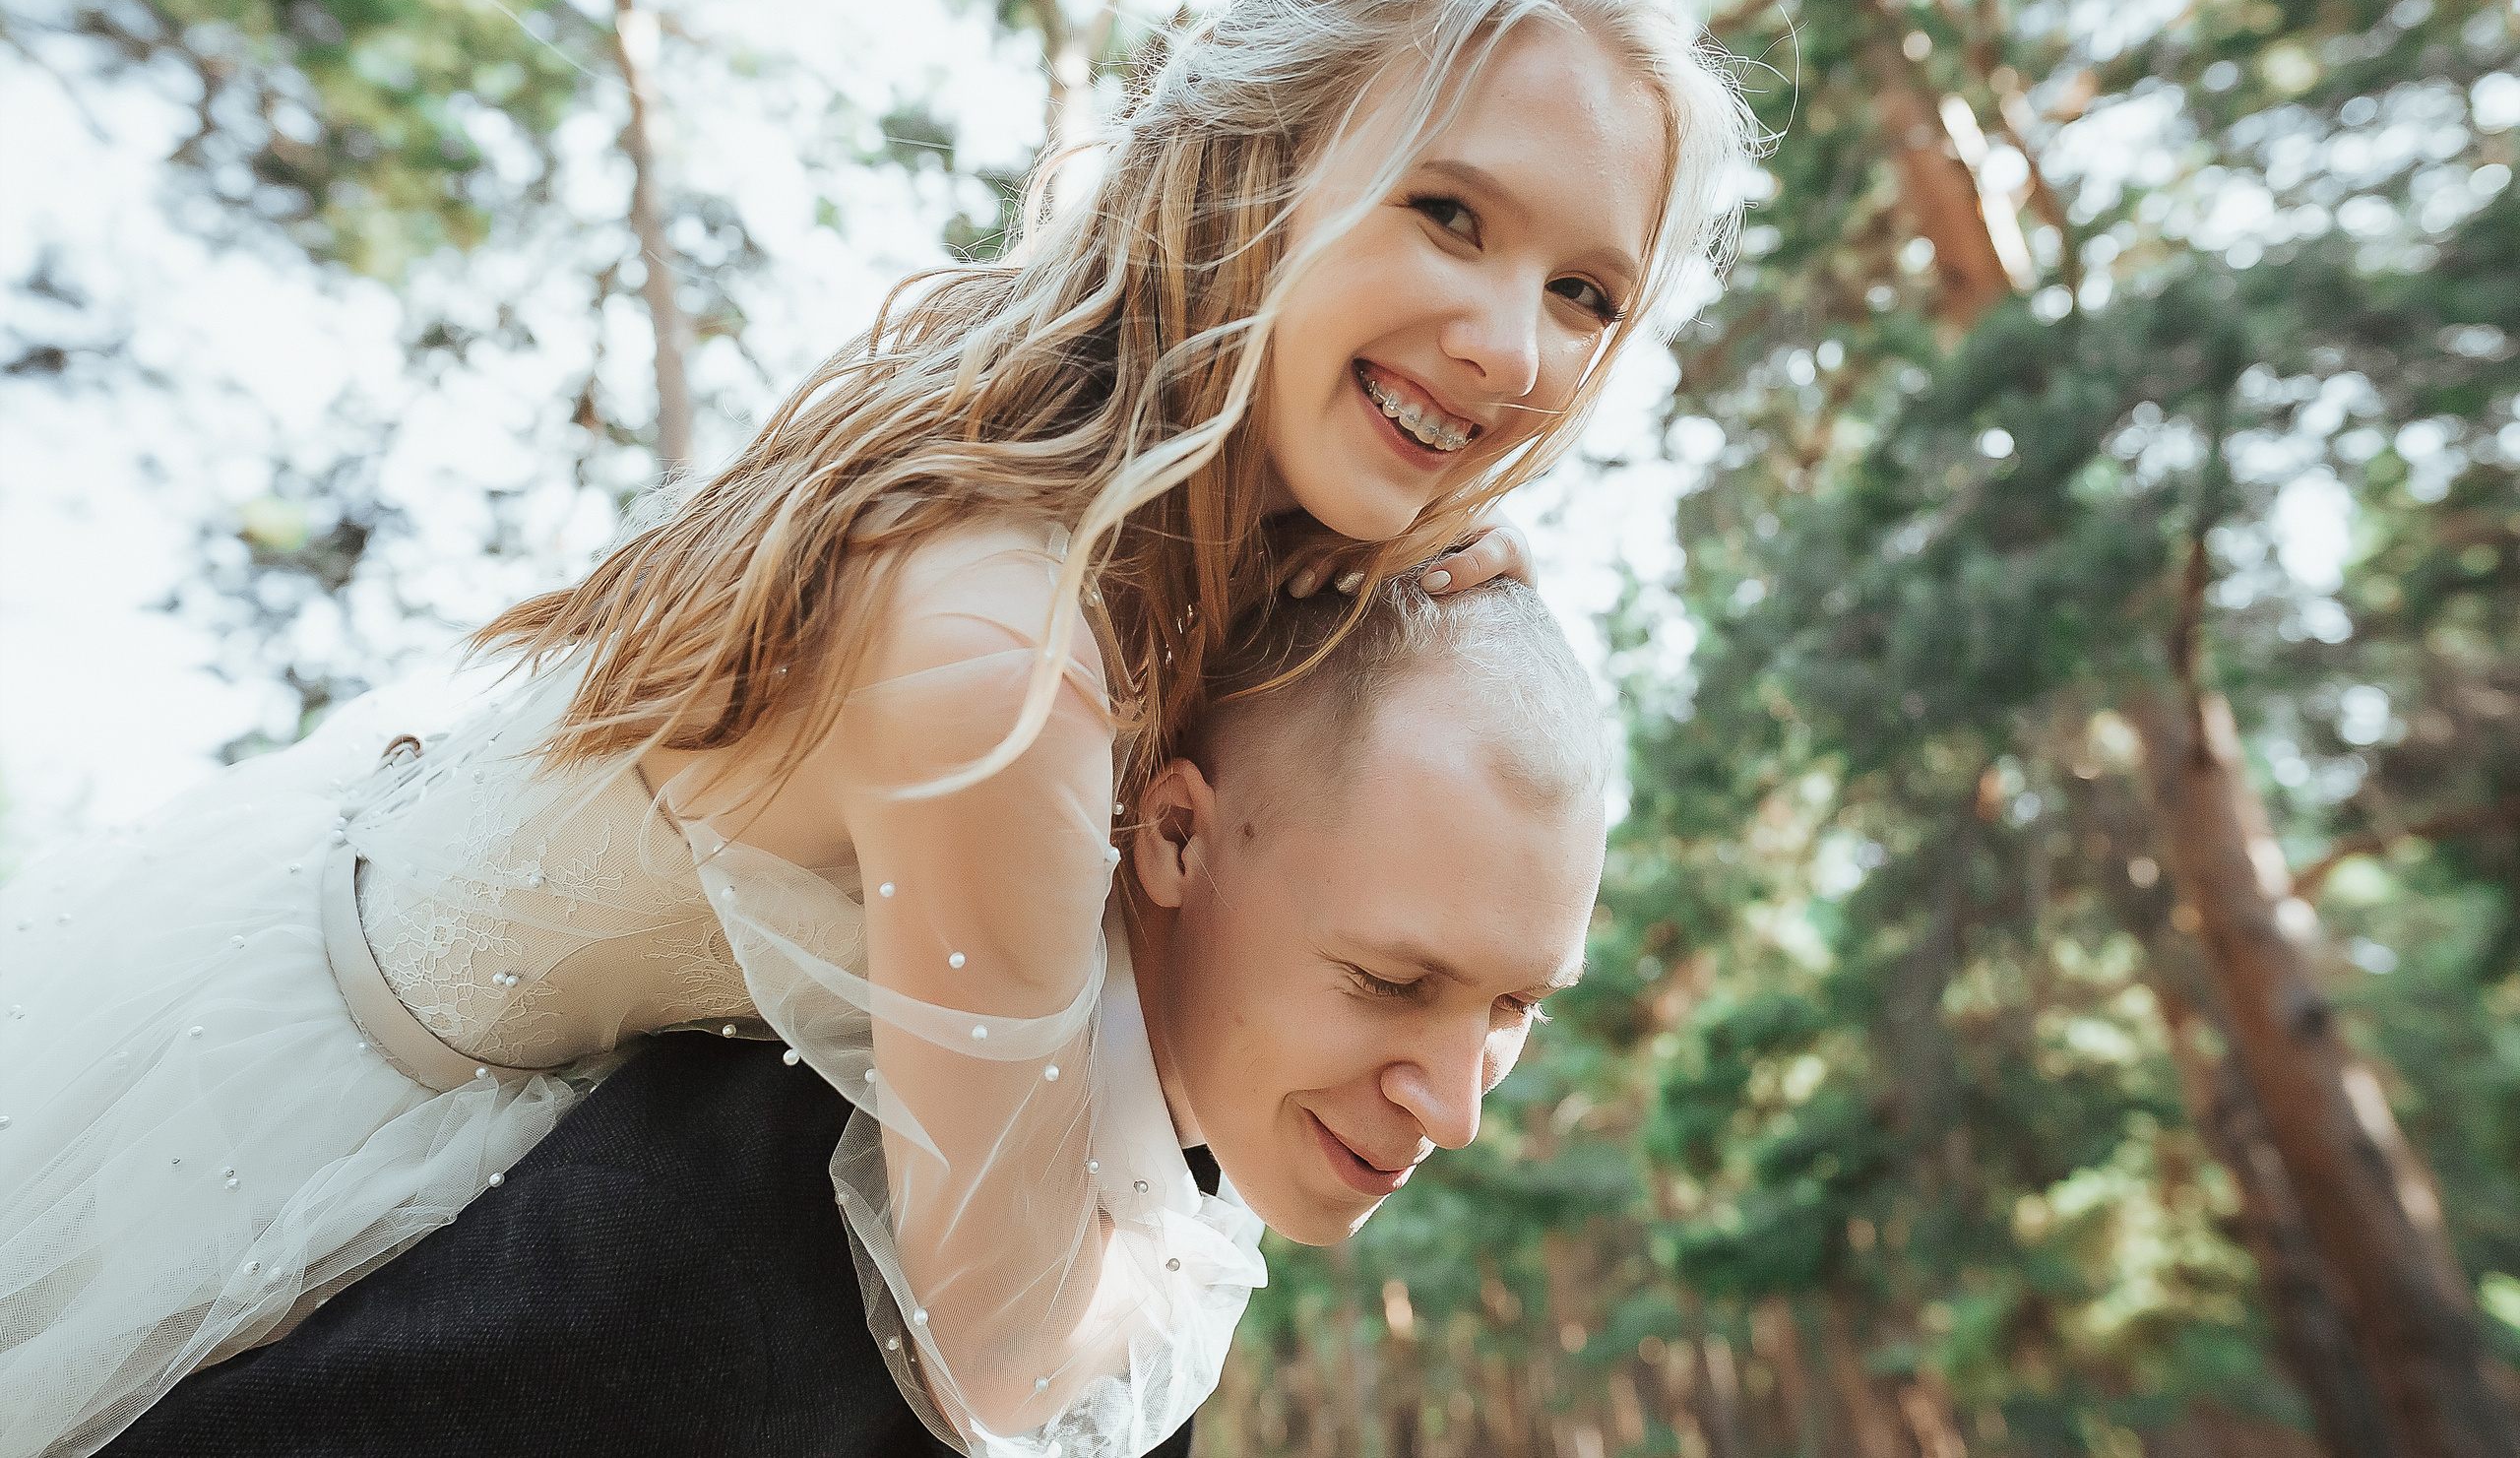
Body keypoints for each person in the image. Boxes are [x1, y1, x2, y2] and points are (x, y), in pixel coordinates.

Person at [0, 0, 1749, 1458]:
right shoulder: (1006, 645)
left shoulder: (1196, 536)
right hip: (318, 1142)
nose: (1512, 346)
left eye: (1588, 293)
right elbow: (992, 1352)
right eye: (1450, 212)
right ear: (1266, 165)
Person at [100, 574, 1604, 1458]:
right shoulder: (752, 1219)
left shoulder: (1161, 1242)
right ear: (1173, 838)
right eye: (1391, 983)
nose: (1459, 1104)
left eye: (1515, 1006)